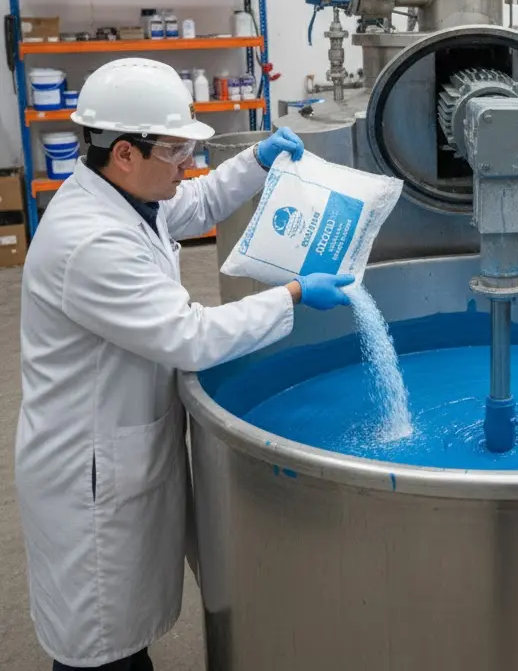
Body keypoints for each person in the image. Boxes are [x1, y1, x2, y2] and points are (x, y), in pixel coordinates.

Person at [16, 58, 356, 671]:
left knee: (121, 631)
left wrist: (256, 163)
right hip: (86, 470)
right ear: (124, 153)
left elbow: (193, 203)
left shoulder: (123, 198)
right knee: (98, 640)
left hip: (121, 444)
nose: (184, 163)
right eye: (174, 150)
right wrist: (294, 296)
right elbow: (191, 336)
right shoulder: (92, 241)